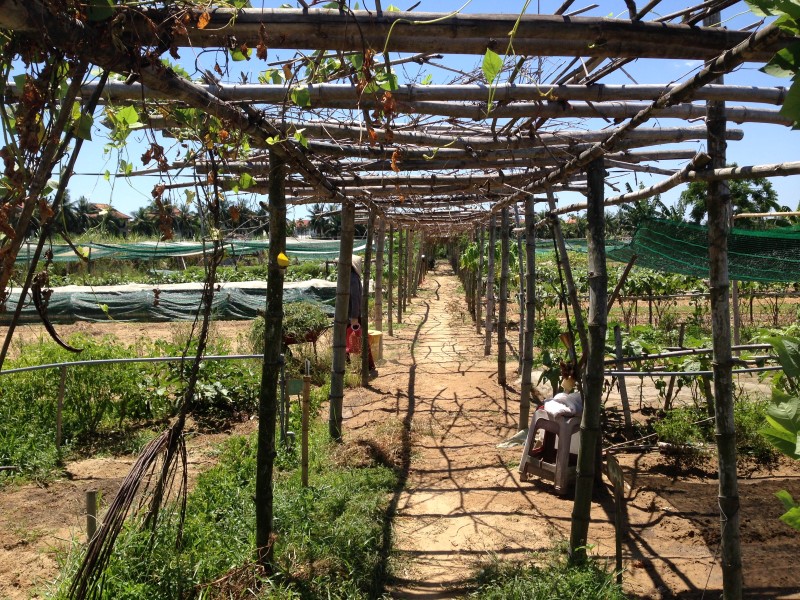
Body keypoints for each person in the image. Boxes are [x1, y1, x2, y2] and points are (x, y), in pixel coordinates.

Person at [346, 255, 377, 376]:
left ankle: (368, 365)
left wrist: (354, 317)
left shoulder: (353, 278)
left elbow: (356, 299)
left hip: (352, 316)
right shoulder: (350, 277)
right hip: (349, 315)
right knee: (347, 340)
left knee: (358, 340)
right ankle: (348, 364)